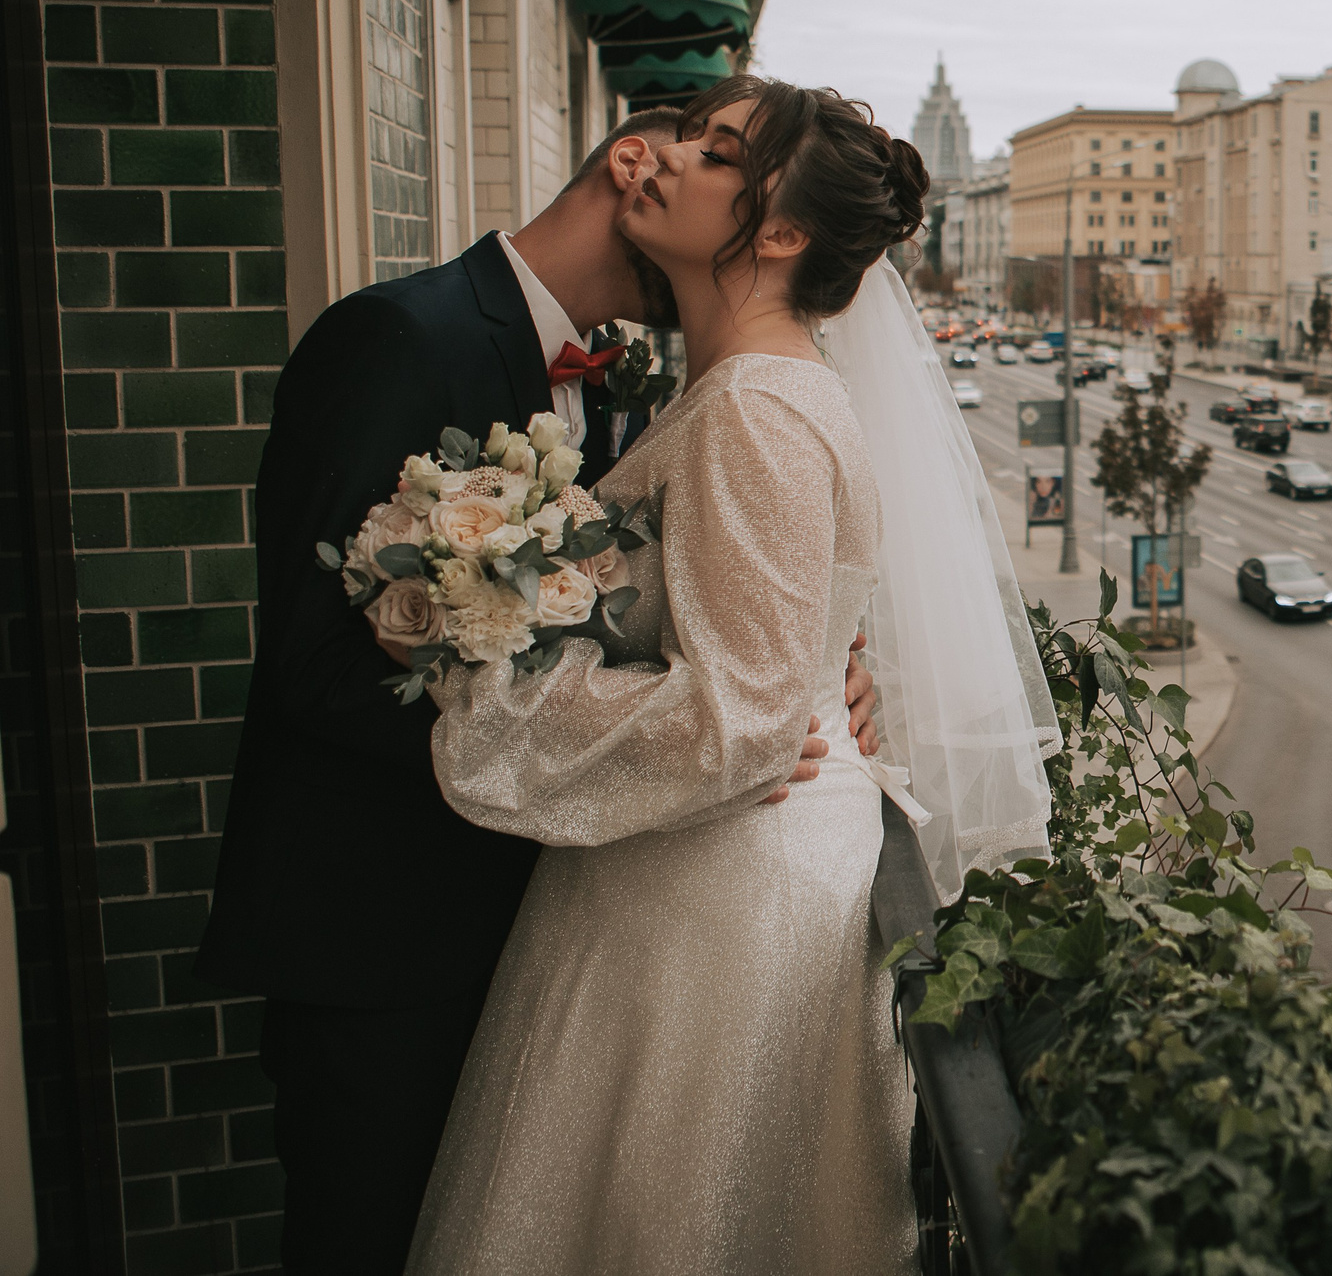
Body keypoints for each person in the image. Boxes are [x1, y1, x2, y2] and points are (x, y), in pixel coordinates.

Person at [194, 106, 882, 1273]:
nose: (679, 162)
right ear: (628, 163)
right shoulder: (402, 340)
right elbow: (315, 663)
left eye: (719, 154)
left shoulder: (710, 387)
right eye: (692, 144)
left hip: (617, 900)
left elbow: (718, 631)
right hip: (390, 933)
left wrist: (819, 670)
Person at [405, 79, 1059, 1272]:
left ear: (780, 232)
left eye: (712, 151)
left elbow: (739, 717)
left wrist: (484, 687)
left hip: (725, 878)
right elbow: (780, 664)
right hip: (719, 856)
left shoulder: (754, 410)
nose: (659, 155)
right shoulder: (748, 390)